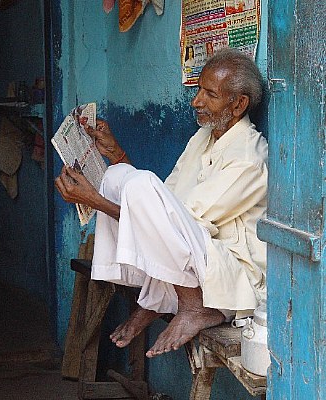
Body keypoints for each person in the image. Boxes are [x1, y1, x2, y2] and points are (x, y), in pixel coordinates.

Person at [55, 48, 268, 358]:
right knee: (119, 176)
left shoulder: (249, 156)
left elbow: (182, 220)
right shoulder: (204, 138)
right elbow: (168, 205)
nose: (196, 101)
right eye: (199, 90)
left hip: (233, 277)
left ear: (238, 104)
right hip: (197, 258)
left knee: (140, 183)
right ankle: (158, 301)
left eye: (210, 94)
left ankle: (194, 306)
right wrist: (117, 157)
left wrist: (96, 202)